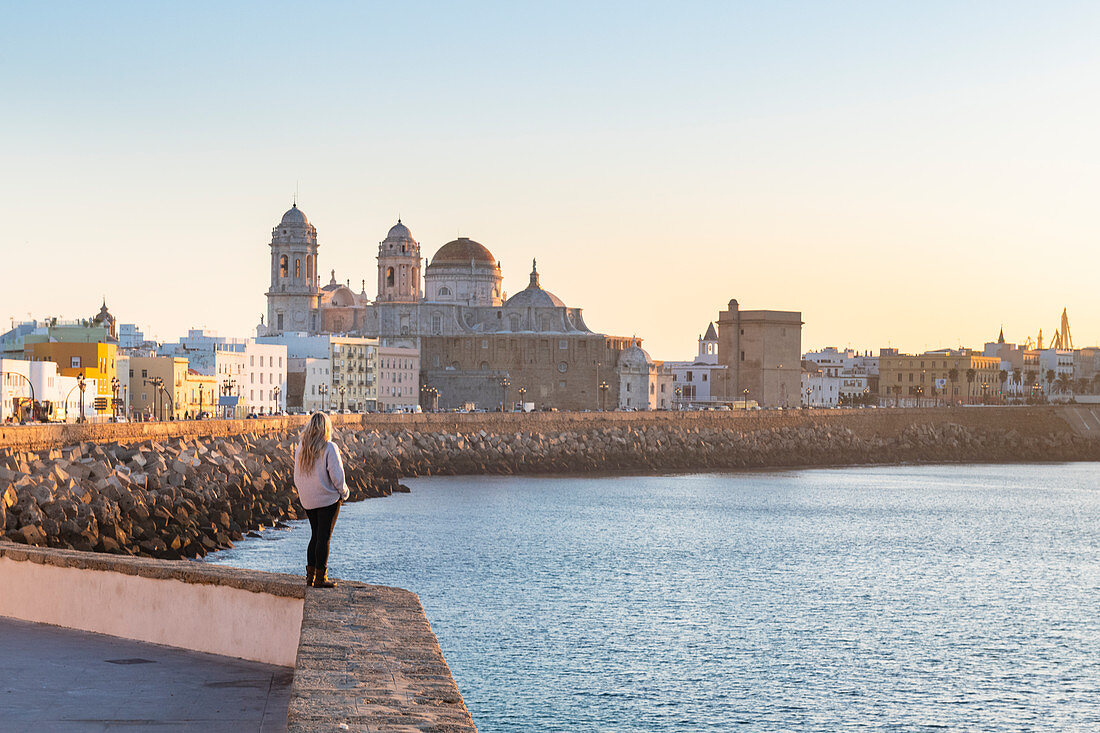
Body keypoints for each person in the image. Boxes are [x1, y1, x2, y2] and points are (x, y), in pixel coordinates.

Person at [293, 412, 348, 588]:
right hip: (327, 500)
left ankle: (310, 577)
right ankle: (320, 578)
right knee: (323, 537)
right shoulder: (329, 447)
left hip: (308, 500)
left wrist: (304, 493)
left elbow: (296, 476)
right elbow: (337, 476)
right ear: (326, 428)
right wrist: (344, 493)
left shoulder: (302, 447)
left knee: (315, 535)